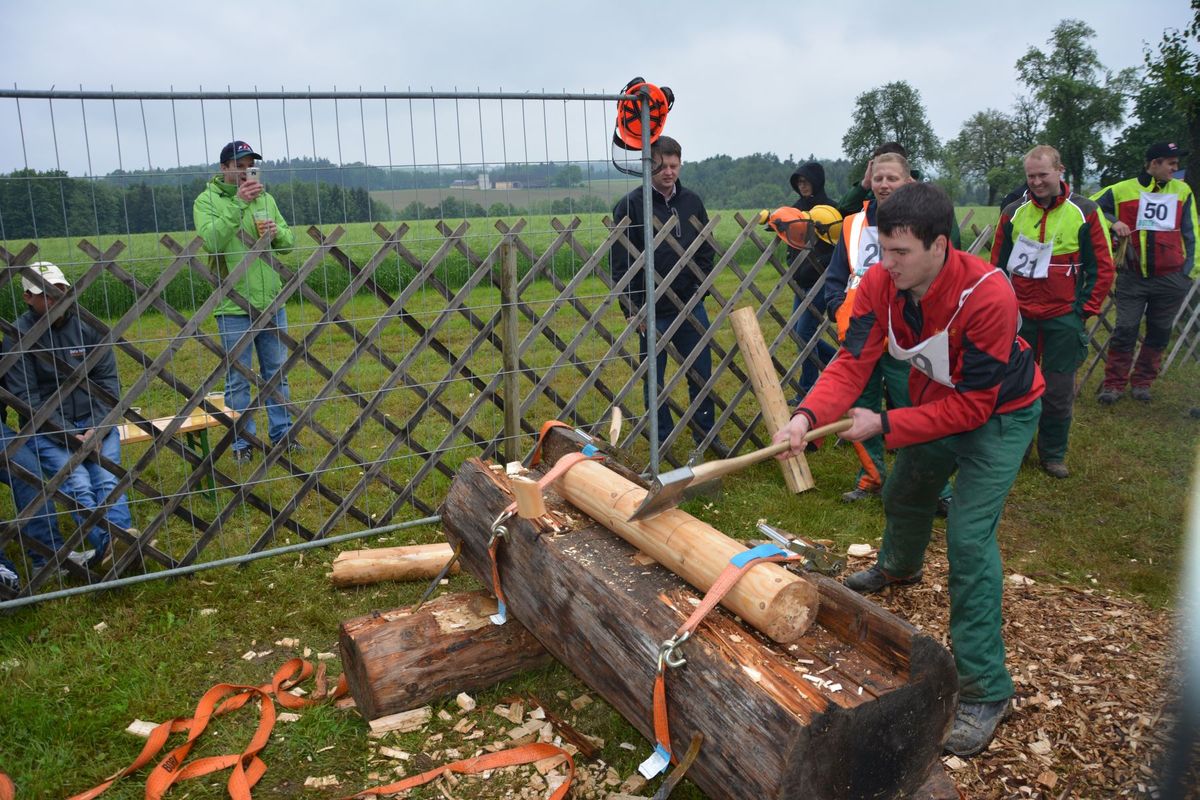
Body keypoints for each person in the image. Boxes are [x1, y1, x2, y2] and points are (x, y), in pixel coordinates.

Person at [775, 182, 1044, 757]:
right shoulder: (879, 284)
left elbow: (974, 408)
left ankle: (986, 690)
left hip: (1001, 415)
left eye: (901, 252)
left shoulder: (988, 295)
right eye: (884, 248)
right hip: (934, 404)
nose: (887, 263)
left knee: (969, 540)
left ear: (939, 245)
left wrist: (885, 424)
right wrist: (804, 416)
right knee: (904, 492)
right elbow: (852, 361)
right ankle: (900, 567)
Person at [825, 153, 951, 512]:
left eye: (892, 178)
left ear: (907, 181)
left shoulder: (922, 225)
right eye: (878, 178)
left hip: (904, 336)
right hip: (859, 333)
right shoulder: (852, 224)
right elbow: (836, 276)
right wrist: (838, 308)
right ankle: (871, 477)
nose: (884, 185)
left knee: (913, 407)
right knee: (860, 408)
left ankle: (934, 486)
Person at [991, 145, 1114, 479]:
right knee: (1015, 387)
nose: (1036, 182)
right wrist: (1002, 309)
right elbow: (997, 267)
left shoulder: (1085, 211)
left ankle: (1053, 453)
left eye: (1042, 175)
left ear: (1059, 170)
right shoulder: (1013, 212)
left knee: (1058, 390)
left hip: (1063, 317)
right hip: (1020, 318)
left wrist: (1083, 310)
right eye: (1030, 176)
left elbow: (1102, 267)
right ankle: (1016, 449)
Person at [4, 262, 136, 568]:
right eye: (44, 294)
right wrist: (69, 435)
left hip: (95, 422)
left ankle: (122, 545)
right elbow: (26, 398)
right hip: (46, 429)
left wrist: (97, 429)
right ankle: (112, 545)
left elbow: (108, 384)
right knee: (76, 481)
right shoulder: (17, 335)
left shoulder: (89, 327)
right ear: (27, 297)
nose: (54, 299)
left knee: (107, 478)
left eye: (59, 291)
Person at [611, 135, 719, 452]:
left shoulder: (692, 202)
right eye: (662, 166)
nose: (669, 172)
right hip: (651, 308)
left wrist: (698, 288)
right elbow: (621, 262)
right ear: (649, 165)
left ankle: (706, 436)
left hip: (690, 304)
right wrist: (632, 308)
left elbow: (706, 249)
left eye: (674, 165)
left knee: (700, 372)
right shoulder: (631, 205)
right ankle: (662, 441)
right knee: (654, 380)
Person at [193, 140, 298, 464]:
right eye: (239, 165)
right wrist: (239, 203)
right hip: (233, 305)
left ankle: (283, 437)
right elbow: (212, 241)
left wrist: (276, 233)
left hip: (271, 301)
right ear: (224, 168)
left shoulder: (265, 198)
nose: (246, 171)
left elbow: (288, 243)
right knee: (238, 377)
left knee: (277, 373)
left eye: (250, 165)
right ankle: (242, 443)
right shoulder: (206, 201)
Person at [1093, 141, 1198, 404]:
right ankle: (1114, 385)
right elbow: (1089, 206)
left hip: (1171, 278)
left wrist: (1187, 272)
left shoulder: (1182, 191)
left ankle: (1142, 383)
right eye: (1171, 163)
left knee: (1159, 332)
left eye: (1176, 164)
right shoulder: (1121, 190)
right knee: (1125, 330)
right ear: (1154, 163)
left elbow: (1192, 232)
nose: (1175, 168)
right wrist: (1113, 221)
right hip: (1132, 277)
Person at [837, 141, 962, 249]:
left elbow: (951, 244)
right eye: (877, 169)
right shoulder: (873, 192)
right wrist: (865, 184)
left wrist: (917, 192)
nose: (884, 185)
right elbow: (842, 211)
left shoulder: (933, 201)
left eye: (891, 177)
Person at [788, 161, 840, 397]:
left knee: (804, 332)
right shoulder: (796, 209)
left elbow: (839, 245)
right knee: (796, 330)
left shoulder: (831, 209)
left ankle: (807, 388)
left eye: (806, 181)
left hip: (822, 280)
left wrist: (821, 261)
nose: (803, 186)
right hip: (801, 279)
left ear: (816, 182)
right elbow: (790, 239)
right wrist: (792, 263)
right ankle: (837, 364)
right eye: (799, 182)